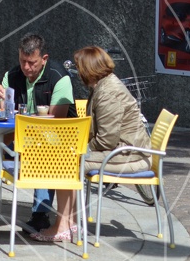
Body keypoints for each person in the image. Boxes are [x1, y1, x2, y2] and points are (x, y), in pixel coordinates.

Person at [32, 46, 151, 242]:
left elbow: (106, 139)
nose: (77, 72)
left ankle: (63, 225)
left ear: (88, 69)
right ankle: (69, 223)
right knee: (67, 157)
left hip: (129, 155)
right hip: (123, 150)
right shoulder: (102, 86)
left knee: (67, 163)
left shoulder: (108, 92)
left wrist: (77, 149)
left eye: (79, 67)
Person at [0, 33, 74, 232]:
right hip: (20, 133)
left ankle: (40, 212)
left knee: (47, 144)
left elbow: (58, 120)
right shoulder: (12, 75)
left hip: (55, 137)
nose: (27, 67)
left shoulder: (59, 77)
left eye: (32, 62)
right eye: (23, 61)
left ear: (44, 59)